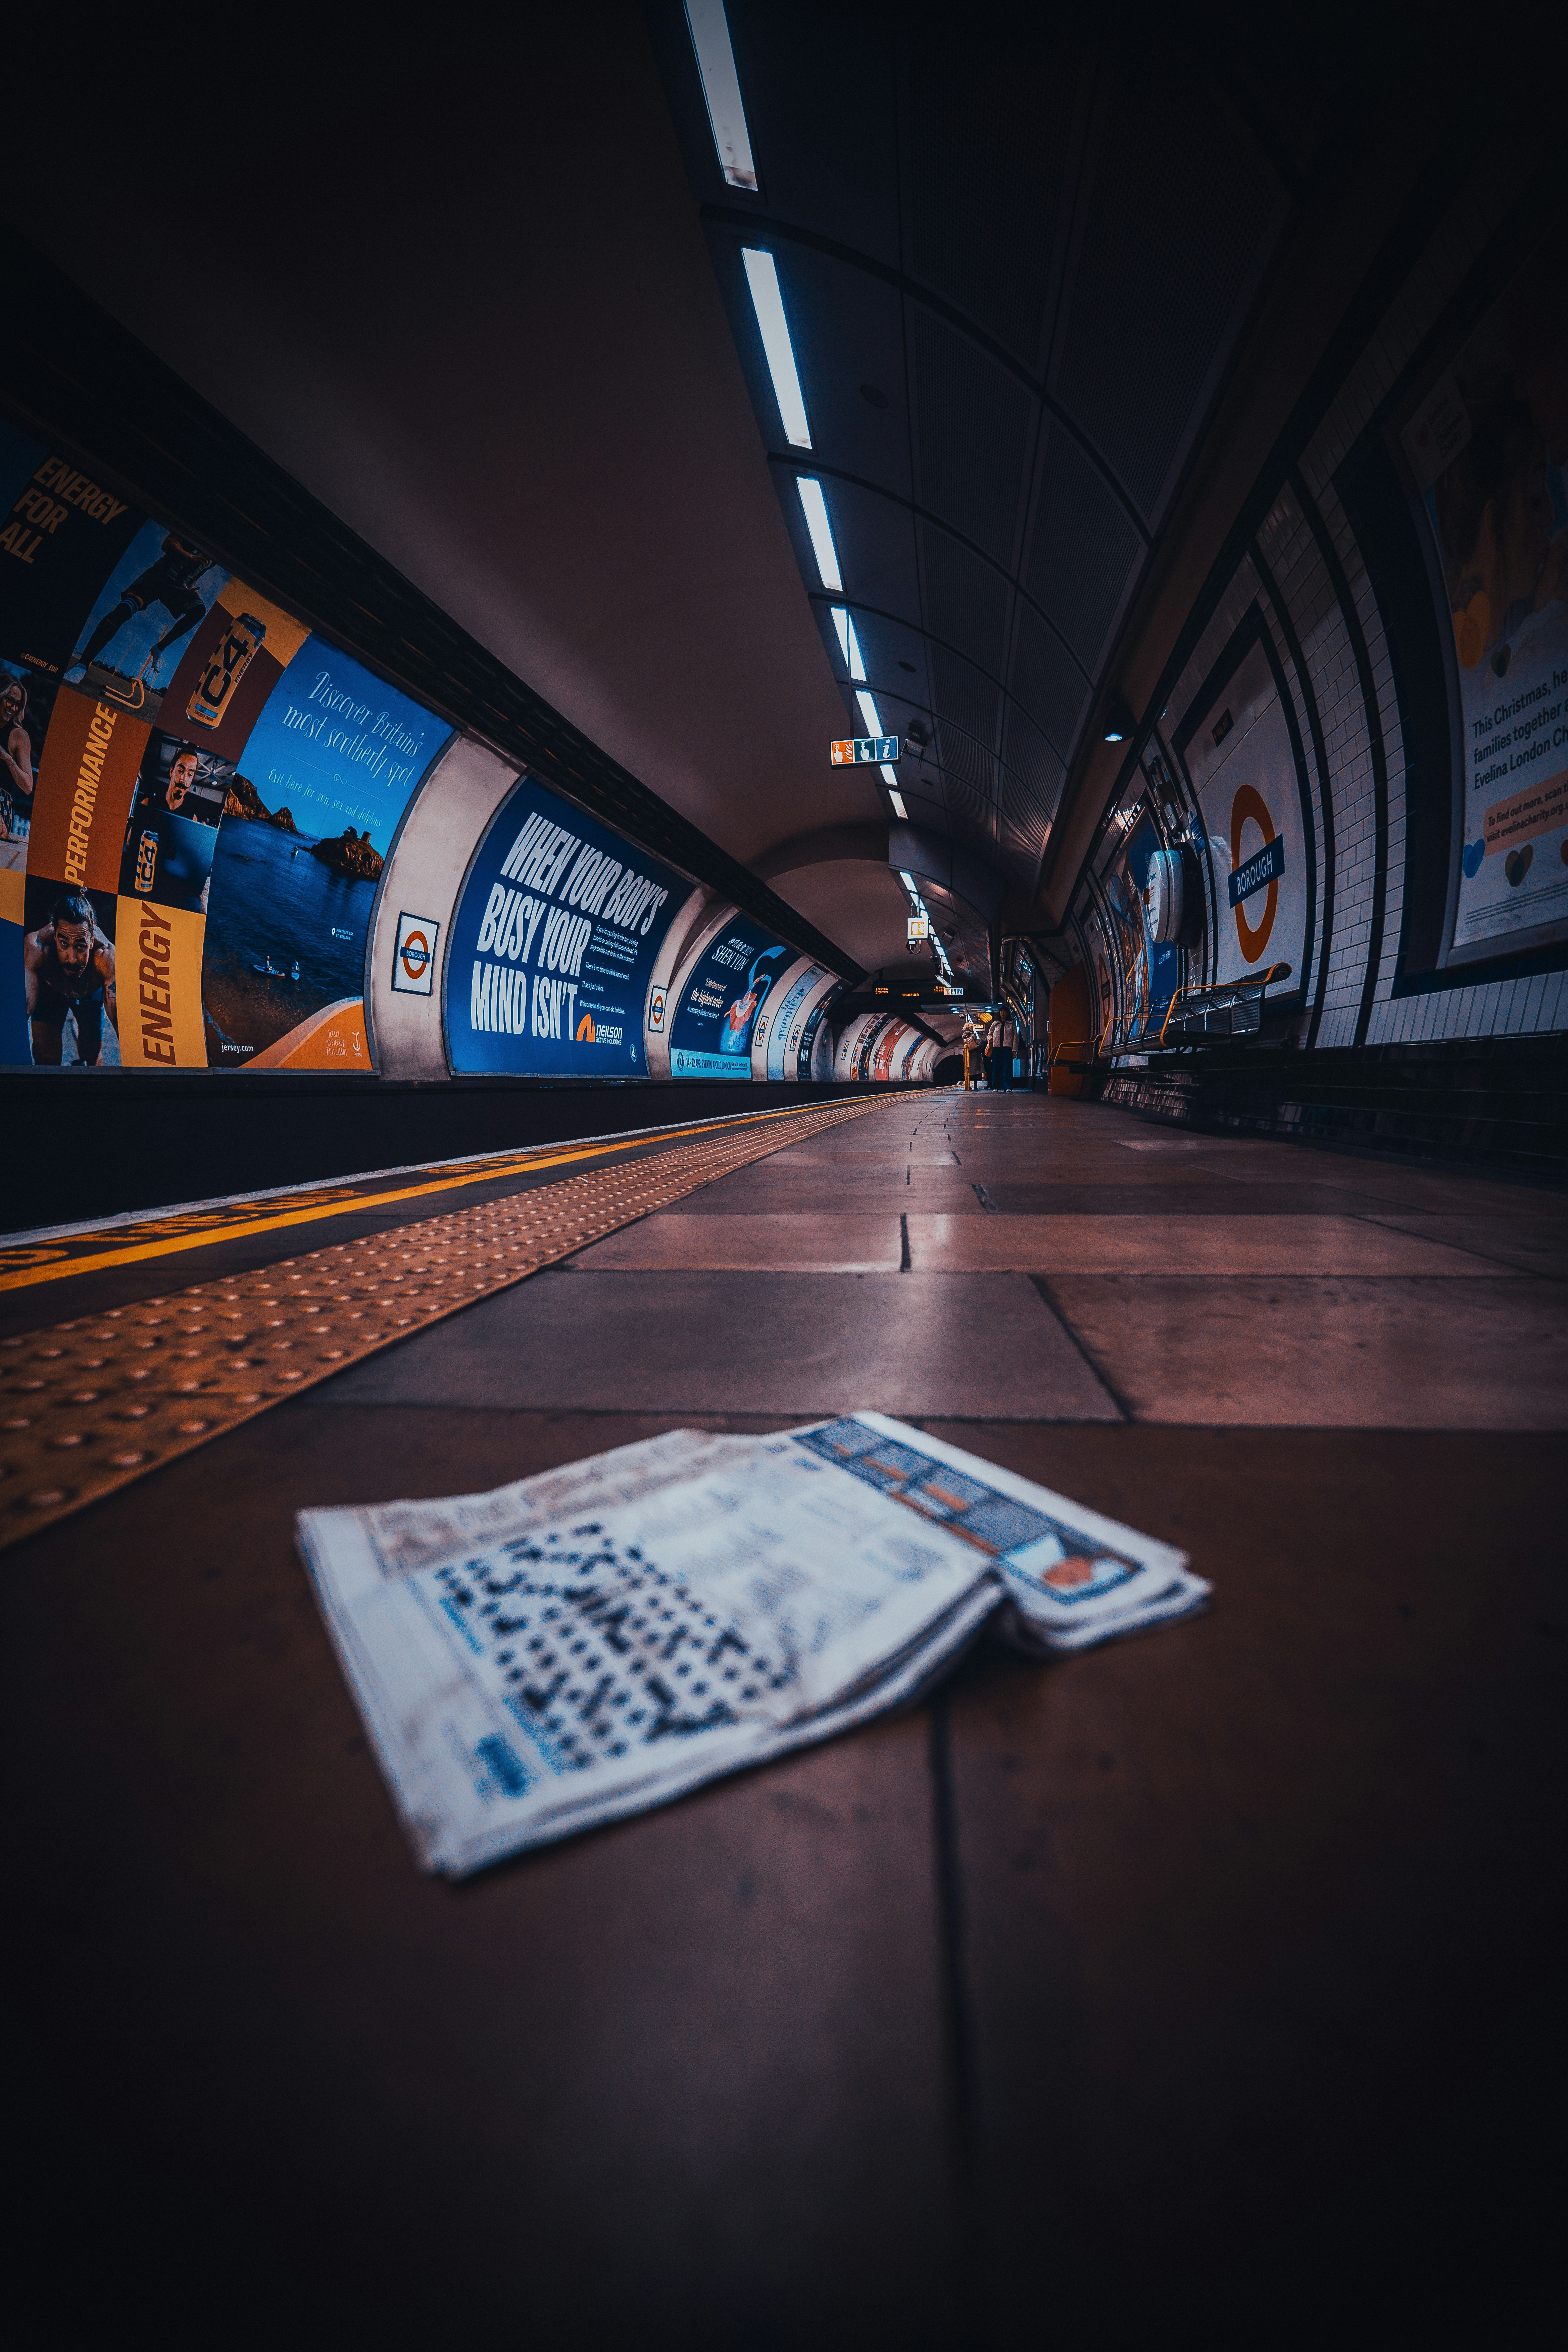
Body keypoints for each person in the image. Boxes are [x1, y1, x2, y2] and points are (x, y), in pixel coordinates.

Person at [69, 534, 215, 686]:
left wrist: (191, 589)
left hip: (178, 586)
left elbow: (196, 574)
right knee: (124, 611)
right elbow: (168, 543)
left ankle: (160, 648)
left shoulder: (215, 559)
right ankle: (82, 665)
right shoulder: (197, 532)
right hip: (159, 576)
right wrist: (189, 557)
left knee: (198, 610)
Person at [25, 890, 116, 1065]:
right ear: (55, 936)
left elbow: (118, 1015)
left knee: (91, 1058)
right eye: (64, 944)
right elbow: (25, 1007)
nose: (72, 958)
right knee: (45, 1058)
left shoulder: (106, 956)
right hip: (51, 990)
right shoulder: (37, 947)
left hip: (89, 991)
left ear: (91, 941)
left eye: (81, 947)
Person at [1, 672, 35, 837]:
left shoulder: (19, 736)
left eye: (18, 705)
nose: (13, 708)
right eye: (10, 701)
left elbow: (28, 786)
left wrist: (8, 758)